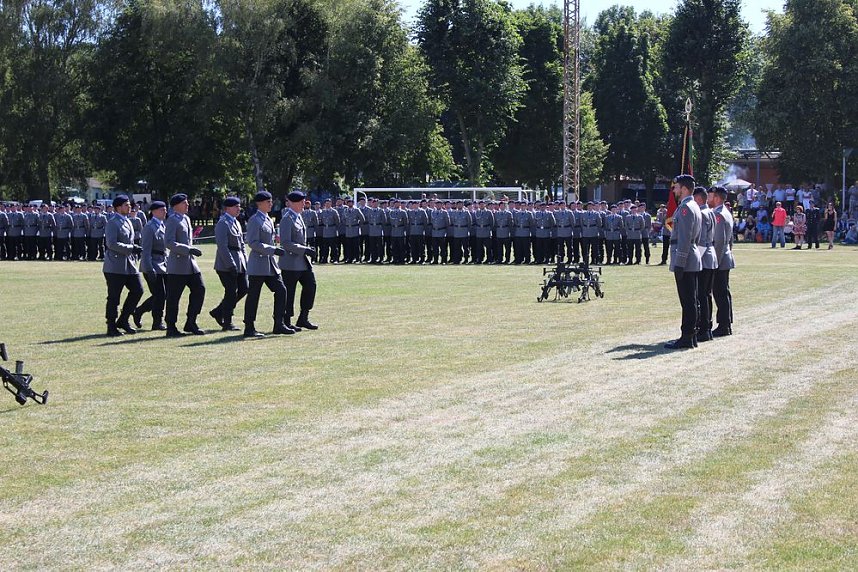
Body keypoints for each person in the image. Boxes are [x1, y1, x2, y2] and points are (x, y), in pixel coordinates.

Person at [244, 191, 290, 337]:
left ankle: (279, 323)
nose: (271, 204)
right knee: (253, 296)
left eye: (271, 201)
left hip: (270, 264)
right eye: (268, 202)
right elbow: (252, 242)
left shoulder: (268, 219)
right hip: (258, 263)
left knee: (281, 290)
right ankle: (249, 327)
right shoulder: (254, 220)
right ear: (260, 203)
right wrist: (273, 249)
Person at [665, 175, 702, 350]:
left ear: (685, 189)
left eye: (676, 187)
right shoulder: (692, 206)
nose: (674, 190)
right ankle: (691, 335)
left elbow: (685, 237)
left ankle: (687, 336)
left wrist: (679, 262)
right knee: (691, 299)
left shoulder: (686, 208)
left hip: (686, 259)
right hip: (691, 257)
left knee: (688, 300)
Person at [164, 193, 206, 337]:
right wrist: (188, 249)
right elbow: (169, 242)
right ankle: (171, 326)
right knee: (174, 297)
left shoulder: (186, 218)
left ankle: (191, 322)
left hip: (190, 264)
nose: (187, 205)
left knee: (200, 290)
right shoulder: (172, 220)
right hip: (177, 265)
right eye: (184, 203)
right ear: (176, 206)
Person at [102, 195, 144, 336]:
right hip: (115, 265)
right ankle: (111, 325)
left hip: (129, 264)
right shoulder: (113, 222)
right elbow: (111, 243)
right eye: (126, 205)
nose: (129, 207)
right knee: (114, 297)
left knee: (138, 290)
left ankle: (123, 319)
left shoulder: (128, 221)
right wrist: (131, 247)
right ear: (118, 207)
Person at [279, 191, 318, 331]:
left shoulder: (298, 216)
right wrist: (304, 249)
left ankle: (303, 317)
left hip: (302, 261)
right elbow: (285, 242)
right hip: (290, 262)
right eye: (301, 202)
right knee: (289, 292)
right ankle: (286, 320)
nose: (304, 204)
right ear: (294, 203)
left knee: (311, 285)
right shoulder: (287, 218)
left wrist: (306, 249)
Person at [210, 196, 249, 332]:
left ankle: (218, 311)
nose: (239, 209)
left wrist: (245, 261)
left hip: (239, 262)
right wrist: (230, 264)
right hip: (225, 264)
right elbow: (222, 246)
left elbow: (242, 245)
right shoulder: (223, 223)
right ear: (227, 208)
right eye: (236, 206)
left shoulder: (236, 222)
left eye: (239, 206)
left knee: (244, 288)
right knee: (231, 292)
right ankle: (227, 321)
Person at [134, 201, 169, 330]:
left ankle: (139, 311)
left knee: (162, 295)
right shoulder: (149, 227)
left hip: (163, 263)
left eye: (165, 209)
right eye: (162, 210)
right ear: (153, 212)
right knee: (159, 294)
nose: (165, 212)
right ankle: (157, 321)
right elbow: (146, 250)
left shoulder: (162, 225)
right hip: (153, 264)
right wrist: (149, 268)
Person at [709, 187, 735, 337]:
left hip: (719, 259)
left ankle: (724, 325)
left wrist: (715, 262)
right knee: (723, 292)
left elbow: (719, 241)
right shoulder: (724, 212)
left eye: (711, 195)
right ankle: (726, 323)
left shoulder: (718, 214)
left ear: (717, 198)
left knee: (720, 293)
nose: (708, 197)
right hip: (725, 256)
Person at [695, 187, 717, 341]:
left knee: (701, 294)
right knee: (706, 294)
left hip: (704, 256)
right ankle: (707, 327)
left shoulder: (702, 214)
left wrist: (697, 259)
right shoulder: (710, 211)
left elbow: (701, 240)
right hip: (711, 255)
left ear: (698, 199)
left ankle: (704, 329)